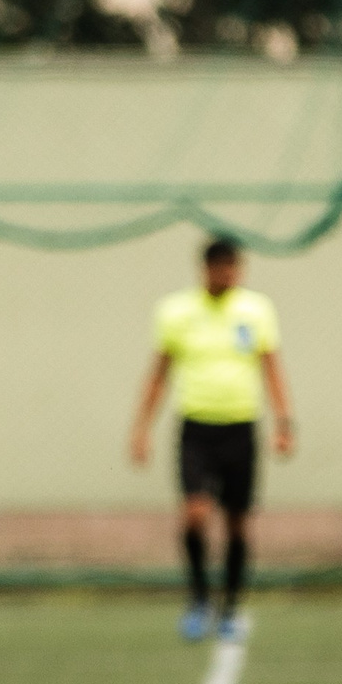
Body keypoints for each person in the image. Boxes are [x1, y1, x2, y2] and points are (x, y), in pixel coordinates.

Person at [128, 236, 293, 642]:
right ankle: (200, 600)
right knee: (195, 515)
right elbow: (159, 373)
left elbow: (271, 367)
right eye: (222, 268)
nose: (230, 275)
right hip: (197, 429)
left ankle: (232, 607)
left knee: (237, 523)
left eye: (235, 268)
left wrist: (284, 423)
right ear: (206, 269)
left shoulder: (255, 311)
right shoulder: (177, 312)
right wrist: (142, 428)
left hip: (240, 427)